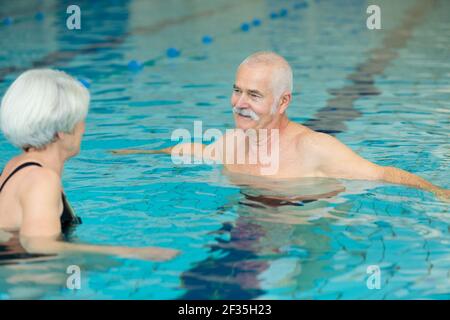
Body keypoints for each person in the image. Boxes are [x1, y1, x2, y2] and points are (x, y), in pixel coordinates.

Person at [112, 51, 449, 200]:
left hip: (303, 227)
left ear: (283, 101)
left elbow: (382, 174)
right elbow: (191, 149)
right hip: (248, 224)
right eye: (236, 90)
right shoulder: (231, 142)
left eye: (254, 95)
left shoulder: (314, 148)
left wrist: (439, 193)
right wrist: (138, 152)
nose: (239, 103)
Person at [0, 69, 178, 261]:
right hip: (29, 282)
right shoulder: (42, 179)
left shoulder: (17, 165)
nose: (84, 127)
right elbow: (40, 247)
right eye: (80, 119)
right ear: (61, 130)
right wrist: (131, 252)